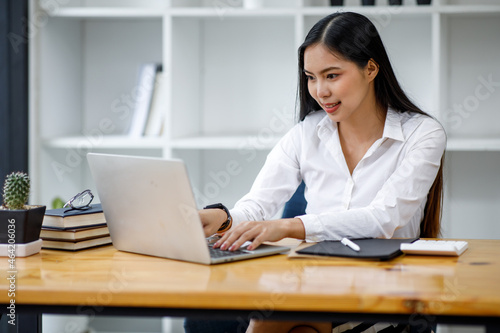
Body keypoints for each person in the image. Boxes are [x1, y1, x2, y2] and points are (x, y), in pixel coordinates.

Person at [197, 11, 445, 333]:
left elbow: (385, 218)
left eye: (332, 75)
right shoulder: (306, 133)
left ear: (371, 68)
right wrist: (225, 218)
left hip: (387, 287)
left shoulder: (423, 134)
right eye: (311, 77)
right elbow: (259, 205)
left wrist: (291, 226)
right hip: (315, 279)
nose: (319, 91)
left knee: (278, 317)